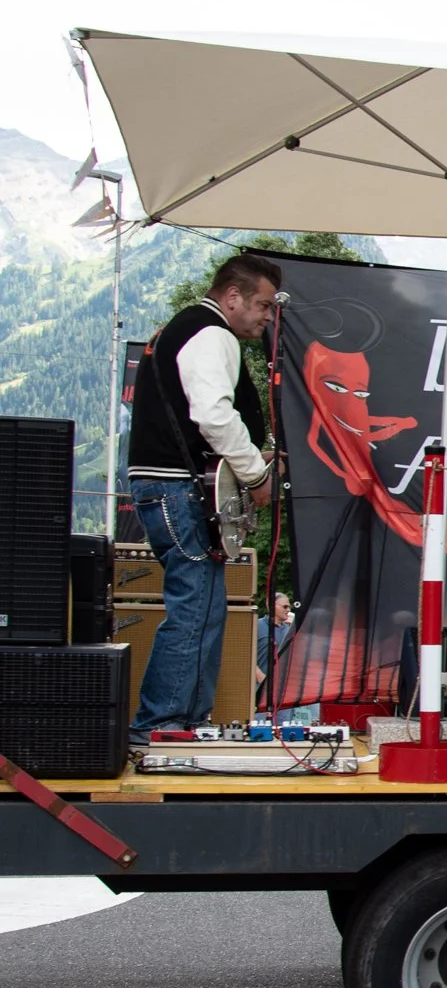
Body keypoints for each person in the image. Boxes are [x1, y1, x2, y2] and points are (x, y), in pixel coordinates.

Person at [126, 252, 280, 749]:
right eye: (263, 304)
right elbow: (213, 415)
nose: (267, 316)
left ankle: (184, 723)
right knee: (194, 608)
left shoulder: (184, 329)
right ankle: (161, 725)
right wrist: (255, 473)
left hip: (168, 484)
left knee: (204, 607)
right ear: (232, 296)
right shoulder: (212, 333)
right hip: (177, 487)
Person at [252, 591, 320, 725]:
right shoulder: (257, 626)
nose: (288, 610)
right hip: (261, 689)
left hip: (283, 691)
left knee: (283, 727)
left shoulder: (289, 630)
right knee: (261, 727)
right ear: (271, 605)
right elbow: (246, 655)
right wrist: (260, 676)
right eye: (285, 606)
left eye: (289, 607)